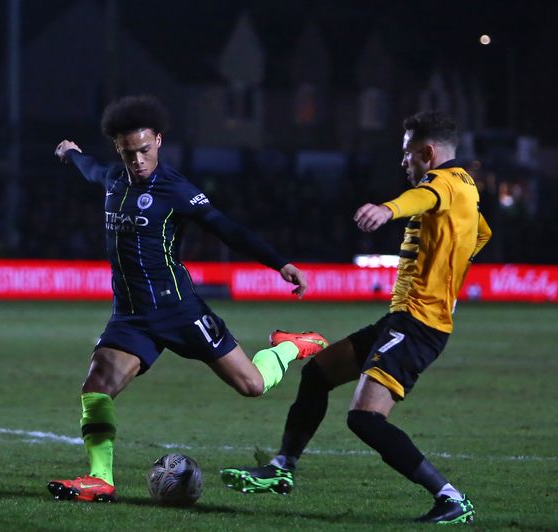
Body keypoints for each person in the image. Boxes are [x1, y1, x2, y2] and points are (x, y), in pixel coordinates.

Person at [46, 95, 328, 503]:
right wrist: (70, 153)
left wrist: (279, 263)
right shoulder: (113, 180)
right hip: (131, 316)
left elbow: (226, 229)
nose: (138, 160)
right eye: (129, 152)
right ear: (118, 149)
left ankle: (288, 347)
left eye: (145, 149)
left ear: (159, 140)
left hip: (179, 309)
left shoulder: (176, 189)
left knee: (251, 385)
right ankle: (100, 479)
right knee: (96, 389)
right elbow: (89, 168)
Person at [220, 111, 492, 525]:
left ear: (427, 152)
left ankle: (451, 498)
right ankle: (281, 468)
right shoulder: (467, 187)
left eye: (407, 153)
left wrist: (387, 209)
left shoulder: (444, 182)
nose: (403, 161)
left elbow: (422, 198)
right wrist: (451, 269)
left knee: (365, 418)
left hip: (418, 325)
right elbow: (482, 232)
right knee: (317, 374)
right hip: (403, 320)